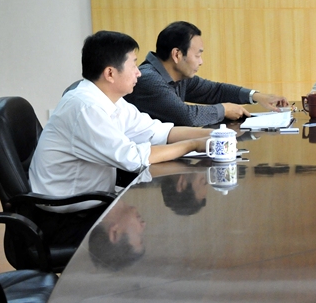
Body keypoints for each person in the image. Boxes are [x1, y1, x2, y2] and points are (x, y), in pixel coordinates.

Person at [29, 31, 211, 238]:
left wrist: (213, 135)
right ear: (110, 73)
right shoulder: (86, 108)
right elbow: (133, 159)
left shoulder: (110, 101)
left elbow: (157, 131)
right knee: (160, 230)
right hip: (63, 219)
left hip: (89, 203)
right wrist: (193, 144)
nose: (139, 73)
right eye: (133, 65)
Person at [126, 21, 288, 126]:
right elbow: (186, 116)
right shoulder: (148, 79)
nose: (201, 61)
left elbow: (214, 90)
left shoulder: (177, 76)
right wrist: (223, 109)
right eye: (197, 55)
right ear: (177, 55)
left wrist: (257, 96)